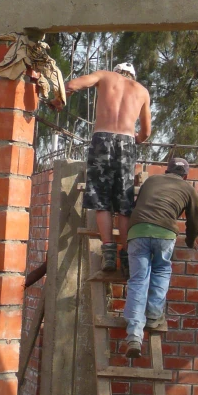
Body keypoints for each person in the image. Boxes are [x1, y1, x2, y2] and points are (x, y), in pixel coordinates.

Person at [65, 63, 151, 273]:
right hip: (127, 143)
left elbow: (73, 84)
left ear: (117, 71)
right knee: (124, 204)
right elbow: (146, 132)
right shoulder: (142, 91)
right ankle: (127, 254)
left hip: (102, 139)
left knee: (101, 201)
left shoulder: (104, 76)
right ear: (133, 75)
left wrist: (61, 96)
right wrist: (136, 139)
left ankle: (109, 253)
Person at [122, 158, 198, 358]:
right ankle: (154, 317)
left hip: (138, 230)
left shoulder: (151, 181)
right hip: (165, 233)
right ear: (185, 176)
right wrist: (191, 241)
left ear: (167, 171)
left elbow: (136, 206)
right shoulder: (188, 188)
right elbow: (194, 222)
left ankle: (133, 335)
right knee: (161, 271)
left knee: (138, 280)